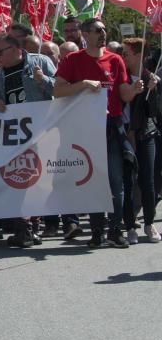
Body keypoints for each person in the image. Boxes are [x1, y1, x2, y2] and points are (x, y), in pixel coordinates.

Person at [53, 18, 142, 249]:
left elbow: (122, 94)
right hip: (86, 128)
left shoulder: (115, 60)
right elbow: (58, 90)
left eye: (103, 30)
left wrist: (133, 91)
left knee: (116, 181)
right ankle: (96, 231)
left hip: (112, 126)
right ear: (85, 34)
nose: (102, 34)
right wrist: (82, 84)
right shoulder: (73, 60)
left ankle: (114, 230)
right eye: (97, 30)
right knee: (92, 181)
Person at [0, 34, 56, 247]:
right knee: (19, 181)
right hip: (14, 135)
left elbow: (61, 90)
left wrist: (42, 80)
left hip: (41, 132)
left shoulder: (41, 62)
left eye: (0, 52)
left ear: (17, 49)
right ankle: (24, 228)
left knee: (38, 182)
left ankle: (34, 227)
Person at [120, 38, 161, 244]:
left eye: (126, 53)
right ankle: (129, 226)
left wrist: (152, 90)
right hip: (124, 133)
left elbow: (153, 112)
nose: (123, 56)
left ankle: (149, 223)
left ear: (139, 55)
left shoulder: (151, 78)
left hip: (146, 133)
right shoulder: (121, 75)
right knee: (127, 181)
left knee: (148, 180)